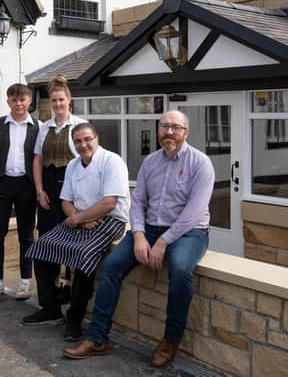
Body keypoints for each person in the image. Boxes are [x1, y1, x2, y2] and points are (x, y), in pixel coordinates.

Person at [63, 110, 214, 368]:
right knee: (111, 267)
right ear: (158, 130)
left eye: (176, 127)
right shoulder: (150, 162)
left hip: (189, 232)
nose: (169, 131)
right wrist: (140, 235)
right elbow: (138, 201)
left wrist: (164, 242)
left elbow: (194, 212)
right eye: (164, 126)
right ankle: (97, 338)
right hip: (149, 229)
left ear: (185, 133)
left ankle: (170, 339)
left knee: (179, 269)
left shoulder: (200, 163)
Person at [24, 122, 130, 343]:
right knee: (41, 246)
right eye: (78, 141)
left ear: (96, 138)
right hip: (79, 218)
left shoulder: (112, 161)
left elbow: (109, 203)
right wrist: (80, 220)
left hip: (109, 220)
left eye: (87, 139)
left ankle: (75, 319)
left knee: (84, 256)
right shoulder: (73, 165)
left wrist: (79, 218)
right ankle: (51, 307)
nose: (83, 145)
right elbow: (65, 201)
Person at [0, 83, 41, 300]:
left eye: (22, 99)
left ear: (29, 102)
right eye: (14, 100)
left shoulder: (38, 126)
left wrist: (38, 189)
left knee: (26, 235)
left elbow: (39, 160)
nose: (18, 104)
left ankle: (25, 282)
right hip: (2, 184)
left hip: (26, 185)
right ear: (8, 101)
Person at [33, 75, 87, 303]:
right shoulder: (43, 128)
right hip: (48, 189)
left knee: (71, 239)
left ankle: (68, 289)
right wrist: (39, 191)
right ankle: (50, 294)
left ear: (69, 100)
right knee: (46, 242)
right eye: (54, 100)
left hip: (72, 188)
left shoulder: (80, 125)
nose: (57, 104)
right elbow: (37, 160)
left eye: (61, 100)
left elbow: (88, 160)